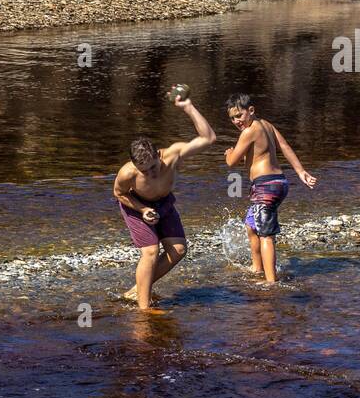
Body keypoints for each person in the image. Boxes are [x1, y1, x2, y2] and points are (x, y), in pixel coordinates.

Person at [113, 91, 216, 308]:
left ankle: (136, 291)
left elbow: (208, 139)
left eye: (153, 167)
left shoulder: (173, 155)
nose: (150, 173)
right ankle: (144, 309)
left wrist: (188, 107)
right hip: (137, 206)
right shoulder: (127, 173)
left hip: (164, 203)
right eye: (144, 171)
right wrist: (141, 210)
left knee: (178, 250)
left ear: (158, 156)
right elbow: (119, 194)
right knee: (151, 252)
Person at [223, 93, 316, 283]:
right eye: (232, 118)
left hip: (265, 187)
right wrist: (300, 171)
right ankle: (257, 268)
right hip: (279, 183)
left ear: (251, 110)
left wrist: (229, 153)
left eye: (239, 115)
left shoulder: (248, 132)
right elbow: (285, 146)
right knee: (251, 225)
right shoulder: (267, 125)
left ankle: (270, 281)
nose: (236, 121)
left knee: (266, 235)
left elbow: (232, 162)